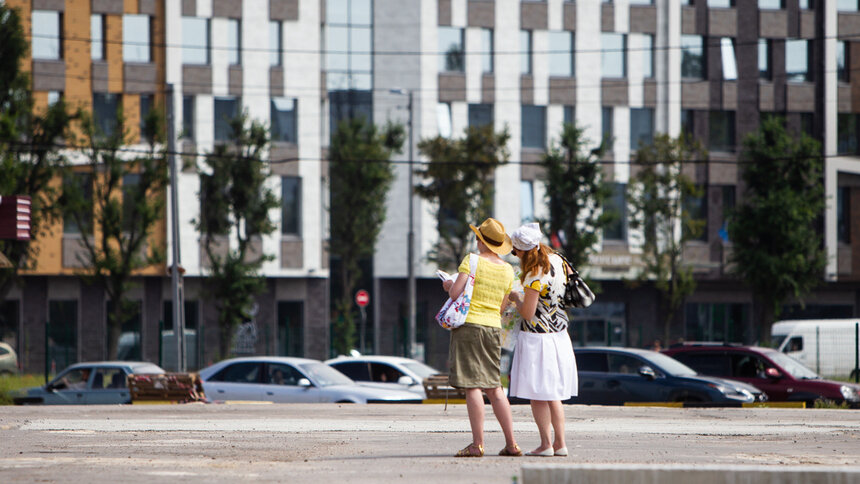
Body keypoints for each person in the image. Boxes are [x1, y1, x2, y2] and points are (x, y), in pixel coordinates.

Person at [442, 217, 521, 458]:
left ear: (482, 242)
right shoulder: (508, 269)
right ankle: (512, 443)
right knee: (495, 387)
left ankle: (477, 444)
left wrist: (448, 284)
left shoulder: (472, 260)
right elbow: (502, 307)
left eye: (478, 237)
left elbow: (456, 293)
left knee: (472, 385)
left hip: (469, 325)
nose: (476, 241)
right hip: (493, 327)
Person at [508, 222, 577, 457]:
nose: (514, 255)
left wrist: (515, 298)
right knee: (554, 394)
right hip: (559, 335)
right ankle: (561, 444)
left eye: (515, 251)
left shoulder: (535, 272)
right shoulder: (558, 260)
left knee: (537, 393)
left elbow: (528, 312)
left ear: (524, 251)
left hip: (537, 339)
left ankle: (545, 444)